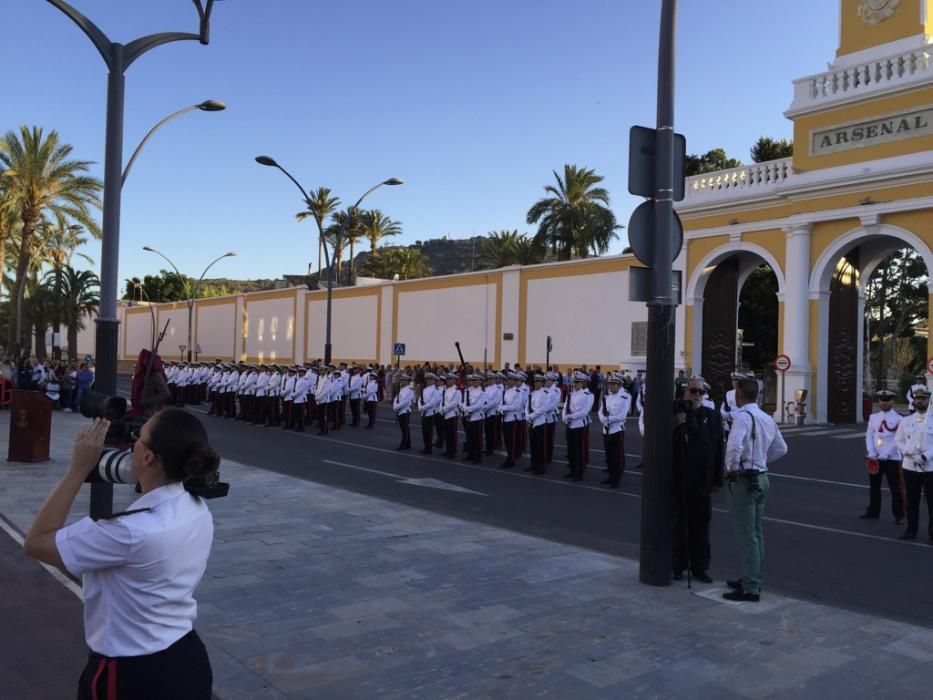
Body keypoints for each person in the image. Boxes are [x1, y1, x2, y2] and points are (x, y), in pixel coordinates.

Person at [24, 409, 218, 698]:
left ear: (148, 457)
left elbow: (36, 541)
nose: (133, 443)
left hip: (133, 674)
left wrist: (78, 469)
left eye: (138, 437)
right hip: (186, 657)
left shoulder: (129, 531)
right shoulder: (196, 508)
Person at [723, 378, 788, 602]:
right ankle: (754, 578)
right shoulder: (766, 418)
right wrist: (760, 461)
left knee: (746, 535)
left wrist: (731, 468)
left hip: (744, 479)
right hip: (761, 478)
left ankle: (751, 587)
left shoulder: (742, 417)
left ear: (739, 395)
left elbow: (733, 446)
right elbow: (781, 448)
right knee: (757, 533)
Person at [671, 376, 724, 583]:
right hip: (681, 478)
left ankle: (699, 566)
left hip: (703, 480)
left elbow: (719, 448)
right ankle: (677, 564)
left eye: (701, 392)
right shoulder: (677, 414)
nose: (697, 396)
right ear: (685, 393)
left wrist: (717, 479)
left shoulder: (712, 416)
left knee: (701, 526)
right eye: (693, 391)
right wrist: (676, 423)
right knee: (678, 525)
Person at [893, 385, 933, 542]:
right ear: (914, 401)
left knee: (932, 502)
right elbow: (898, 440)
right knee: (911, 501)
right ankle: (911, 530)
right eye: (917, 399)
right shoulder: (906, 421)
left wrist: (925, 457)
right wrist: (906, 451)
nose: (920, 401)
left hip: (930, 467)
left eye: (923, 399)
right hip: (910, 466)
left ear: (929, 401)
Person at [861, 389, 905, 524]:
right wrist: (872, 451)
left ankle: (899, 515)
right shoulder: (874, 417)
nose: (884, 403)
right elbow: (869, 435)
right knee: (874, 486)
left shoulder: (900, 419)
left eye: (887, 400)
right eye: (881, 400)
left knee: (895, 488)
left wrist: (887, 453)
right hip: (875, 458)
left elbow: (899, 439)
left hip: (892, 459)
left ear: (893, 401)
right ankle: (873, 511)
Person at [597, 371, 631, 488]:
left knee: (617, 456)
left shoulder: (624, 397)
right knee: (609, 456)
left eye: (613, 384)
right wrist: (603, 419)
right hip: (606, 430)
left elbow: (622, 416)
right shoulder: (607, 397)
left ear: (619, 385)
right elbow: (600, 411)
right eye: (610, 384)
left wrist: (608, 419)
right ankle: (611, 476)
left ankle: (616, 478)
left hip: (616, 430)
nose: (610, 386)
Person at [562, 371, 594, 481]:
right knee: (570, 450)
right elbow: (565, 407)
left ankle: (579, 472)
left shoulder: (588, 395)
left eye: (578, 382)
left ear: (583, 383)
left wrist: (570, 417)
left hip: (580, 425)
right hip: (569, 425)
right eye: (574, 382)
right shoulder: (570, 394)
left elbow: (585, 412)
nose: (575, 384)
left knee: (579, 450)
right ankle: (572, 470)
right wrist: (564, 417)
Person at [417, 372, 441, 454]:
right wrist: (420, 406)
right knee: (424, 432)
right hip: (424, 413)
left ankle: (429, 448)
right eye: (427, 379)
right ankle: (426, 446)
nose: (428, 380)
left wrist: (423, 407)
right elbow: (420, 399)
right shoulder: (425, 389)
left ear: (434, 381)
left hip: (430, 413)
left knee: (429, 432)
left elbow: (433, 402)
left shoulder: (436, 390)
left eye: (430, 379)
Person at [440, 373, 462, 458]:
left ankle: (452, 451)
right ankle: (448, 450)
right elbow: (442, 401)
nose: (448, 381)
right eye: (447, 379)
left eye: (449, 379)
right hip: (445, 414)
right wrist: (441, 409)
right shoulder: (446, 389)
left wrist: (444, 409)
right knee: (447, 434)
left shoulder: (456, 390)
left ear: (454, 380)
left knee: (452, 434)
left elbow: (455, 403)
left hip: (452, 414)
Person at [393, 372, 414, 450]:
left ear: (408, 381)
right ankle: (408, 443)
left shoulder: (410, 390)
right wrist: (395, 406)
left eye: (404, 380)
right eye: (401, 380)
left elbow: (406, 401)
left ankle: (403, 444)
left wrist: (397, 407)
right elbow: (396, 398)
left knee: (405, 429)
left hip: (405, 411)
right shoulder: (401, 389)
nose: (402, 381)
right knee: (404, 428)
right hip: (400, 411)